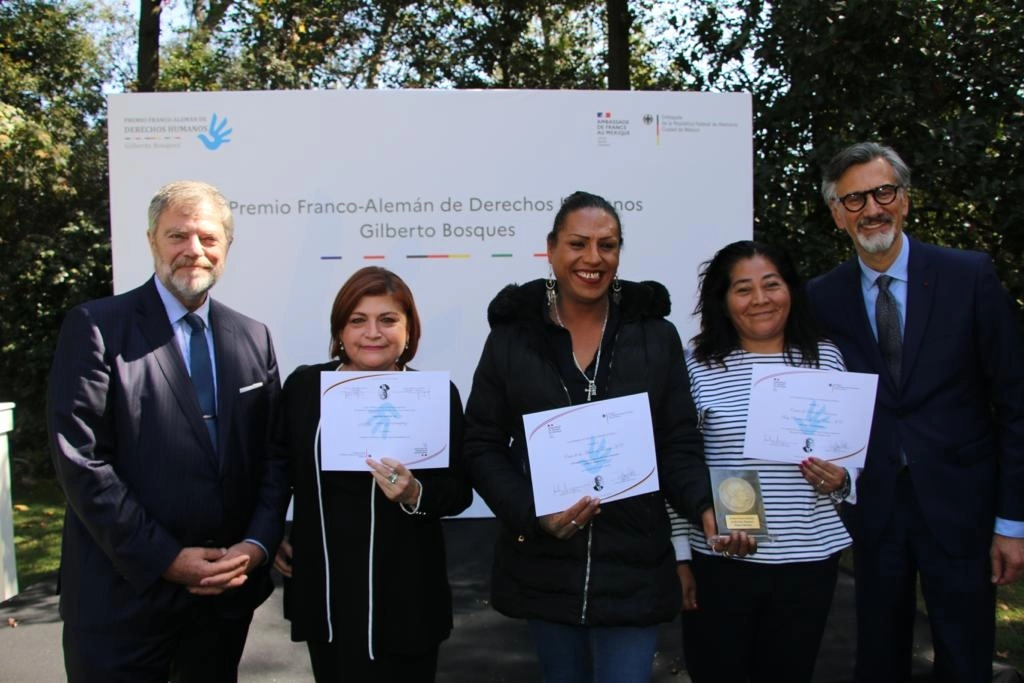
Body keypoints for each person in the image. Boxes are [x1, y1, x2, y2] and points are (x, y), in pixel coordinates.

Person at [463, 190, 735, 683]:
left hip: (635, 564)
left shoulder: (656, 336)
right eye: (578, 244)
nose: (593, 258)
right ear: (551, 249)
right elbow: (481, 444)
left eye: (607, 245)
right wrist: (533, 513)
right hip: (546, 564)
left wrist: (704, 503)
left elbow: (677, 442)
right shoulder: (511, 338)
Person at [47, 180, 288, 681]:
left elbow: (273, 454)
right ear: (152, 241)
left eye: (208, 237)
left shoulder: (252, 337)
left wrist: (257, 545)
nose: (193, 250)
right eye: (178, 235)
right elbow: (82, 461)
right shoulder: (96, 327)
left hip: (222, 601)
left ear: (226, 247)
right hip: (121, 600)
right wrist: (165, 558)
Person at [808, 142, 1024, 681]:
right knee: (878, 656)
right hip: (873, 509)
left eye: (883, 192)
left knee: (966, 656)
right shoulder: (820, 299)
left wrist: (1011, 523)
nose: (871, 209)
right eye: (854, 200)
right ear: (837, 215)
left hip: (962, 505)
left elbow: (1015, 403)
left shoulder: (968, 276)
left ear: (904, 199)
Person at [273, 266, 471, 682]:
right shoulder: (305, 387)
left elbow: (459, 491)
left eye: (388, 320)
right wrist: (271, 533)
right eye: (357, 320)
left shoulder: (435, 396)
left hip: (407, 595)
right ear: (340, 330)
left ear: (409, 330)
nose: (373, 333)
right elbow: (276, 467)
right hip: (328, 589)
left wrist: (415, 492)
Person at [671, 240, 853, 682]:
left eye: (771, 285)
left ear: (790, 289)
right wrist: (680, 557)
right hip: (720, 560)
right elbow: (679, 462)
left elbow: (850, 457)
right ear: (723, 300)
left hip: (808, 560)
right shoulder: (696, 366)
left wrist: (841, 480)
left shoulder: (825, 358)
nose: (760, 299)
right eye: (743, 289)